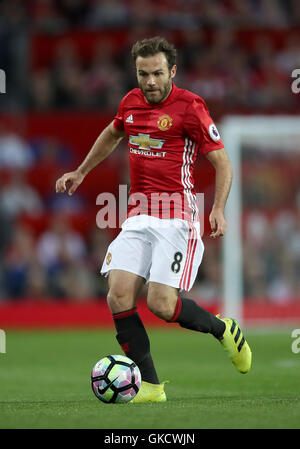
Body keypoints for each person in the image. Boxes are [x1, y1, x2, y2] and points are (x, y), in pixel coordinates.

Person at [56, 37, 252, 403]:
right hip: (137, 215)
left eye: (157, 73)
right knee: (117, 296)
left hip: (177, 215)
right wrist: (81, 171)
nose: (149, 81)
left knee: (161, 304)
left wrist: (218, 207)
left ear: (172, 72)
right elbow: (113, 132)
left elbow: (222, 162)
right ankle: (150, 386)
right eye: (143, 73)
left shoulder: (191, 107)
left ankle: (223, 328)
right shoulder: (130, 102)